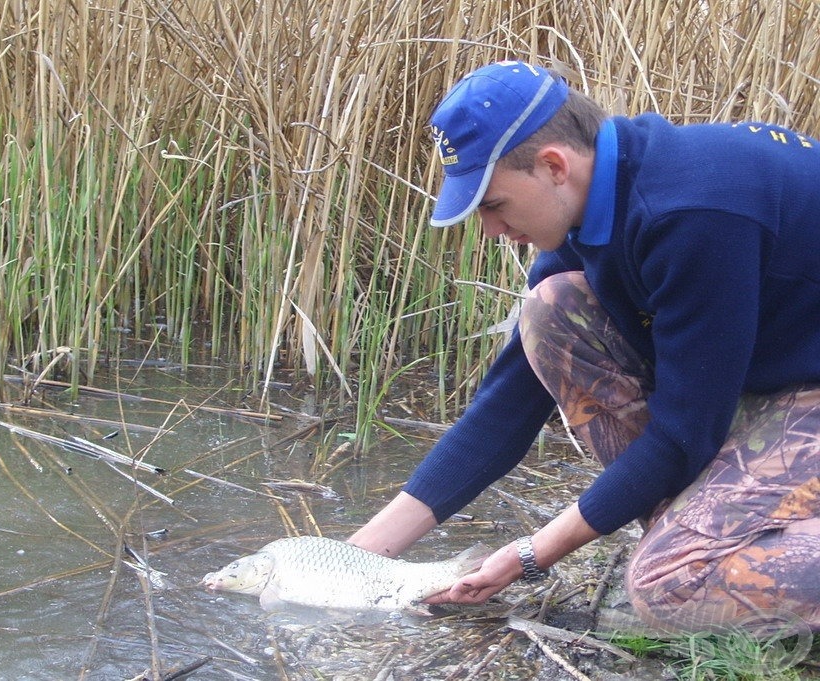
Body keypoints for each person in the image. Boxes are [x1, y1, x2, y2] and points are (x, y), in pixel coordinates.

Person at [347, 60, 820, 633]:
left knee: (670, 587)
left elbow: (685, 432)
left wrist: (531, 552)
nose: (491, 231)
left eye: (492, 205)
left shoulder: (694, 212)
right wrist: (360, 555)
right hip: (776, 381)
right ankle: (700, 526)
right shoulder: (594, 217)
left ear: (553, 166)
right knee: (549, 310)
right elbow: (507, 407)